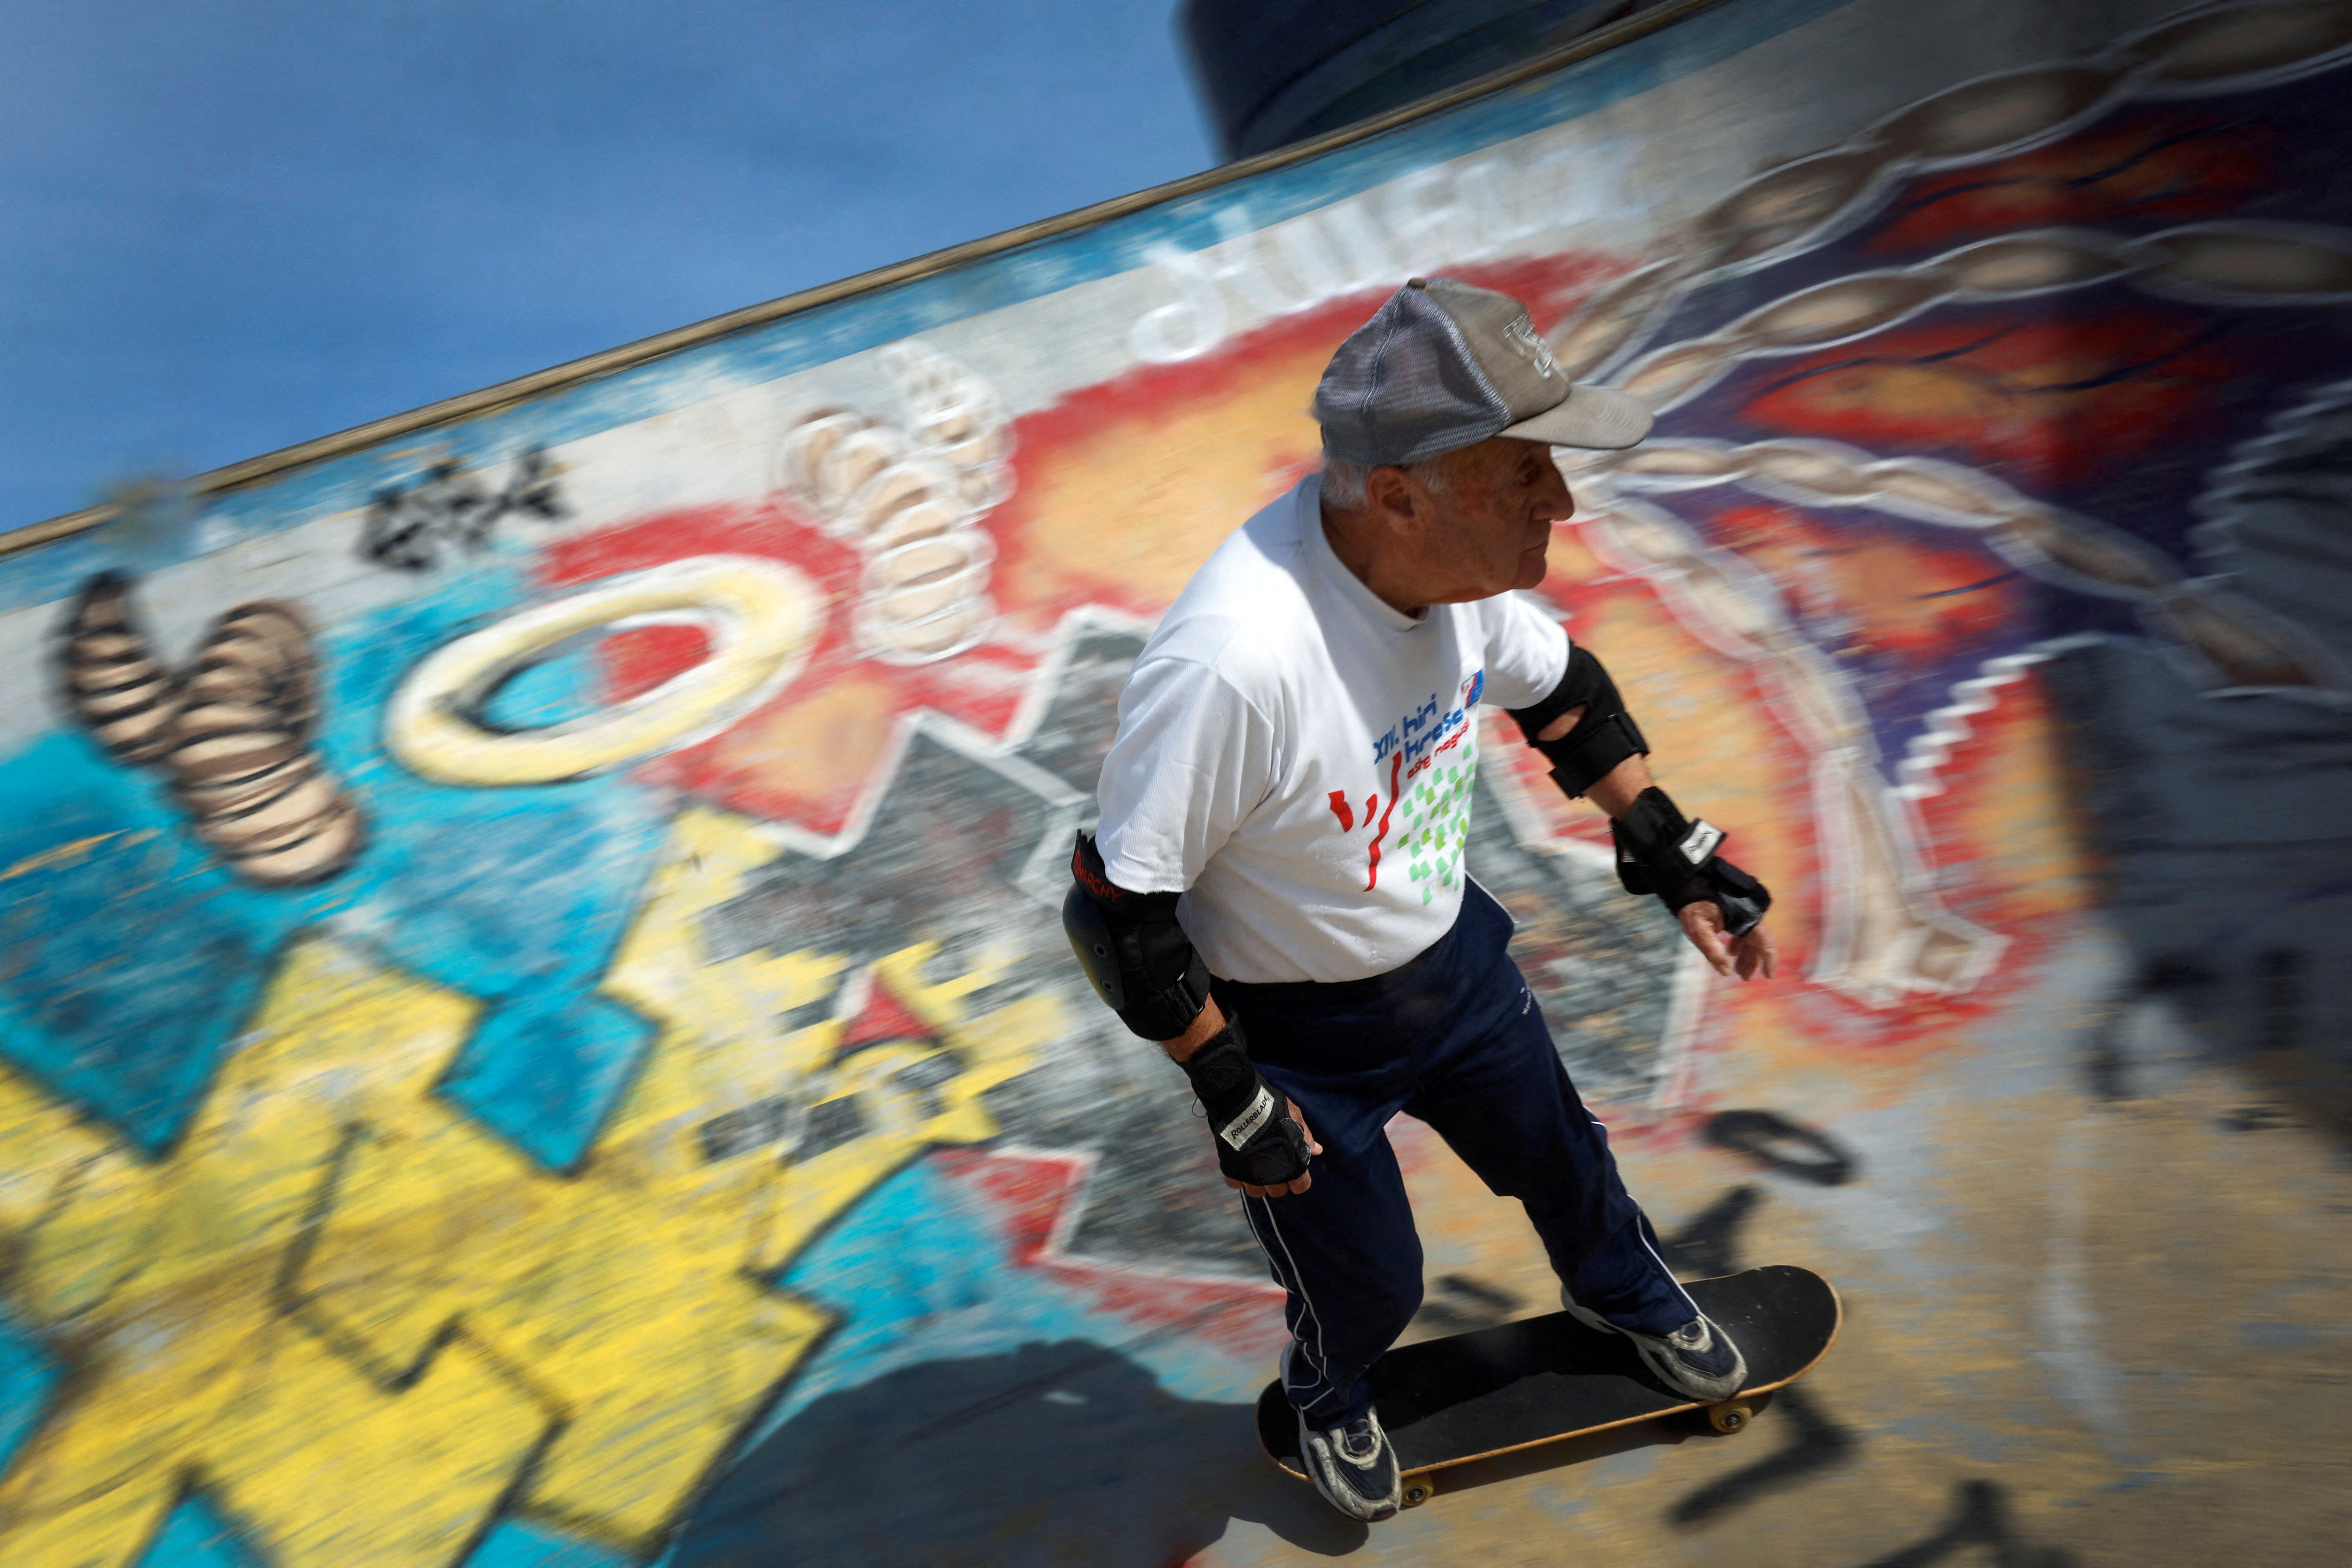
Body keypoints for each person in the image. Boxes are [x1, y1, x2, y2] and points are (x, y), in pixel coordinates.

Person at [1062, 277, 1778, 1523]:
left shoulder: (1458, 570)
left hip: (1458, 974)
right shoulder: (1237, 661)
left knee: (1572, 1171)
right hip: (1300, 1046)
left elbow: (1569, 699)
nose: (1559, 499)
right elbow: (1121, 914)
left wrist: (1665, 844)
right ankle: (1330, 1397)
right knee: (1369, 1287)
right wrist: (1232, 1096)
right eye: (1525, 477)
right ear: (1399, 492)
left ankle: (1621, 1291)